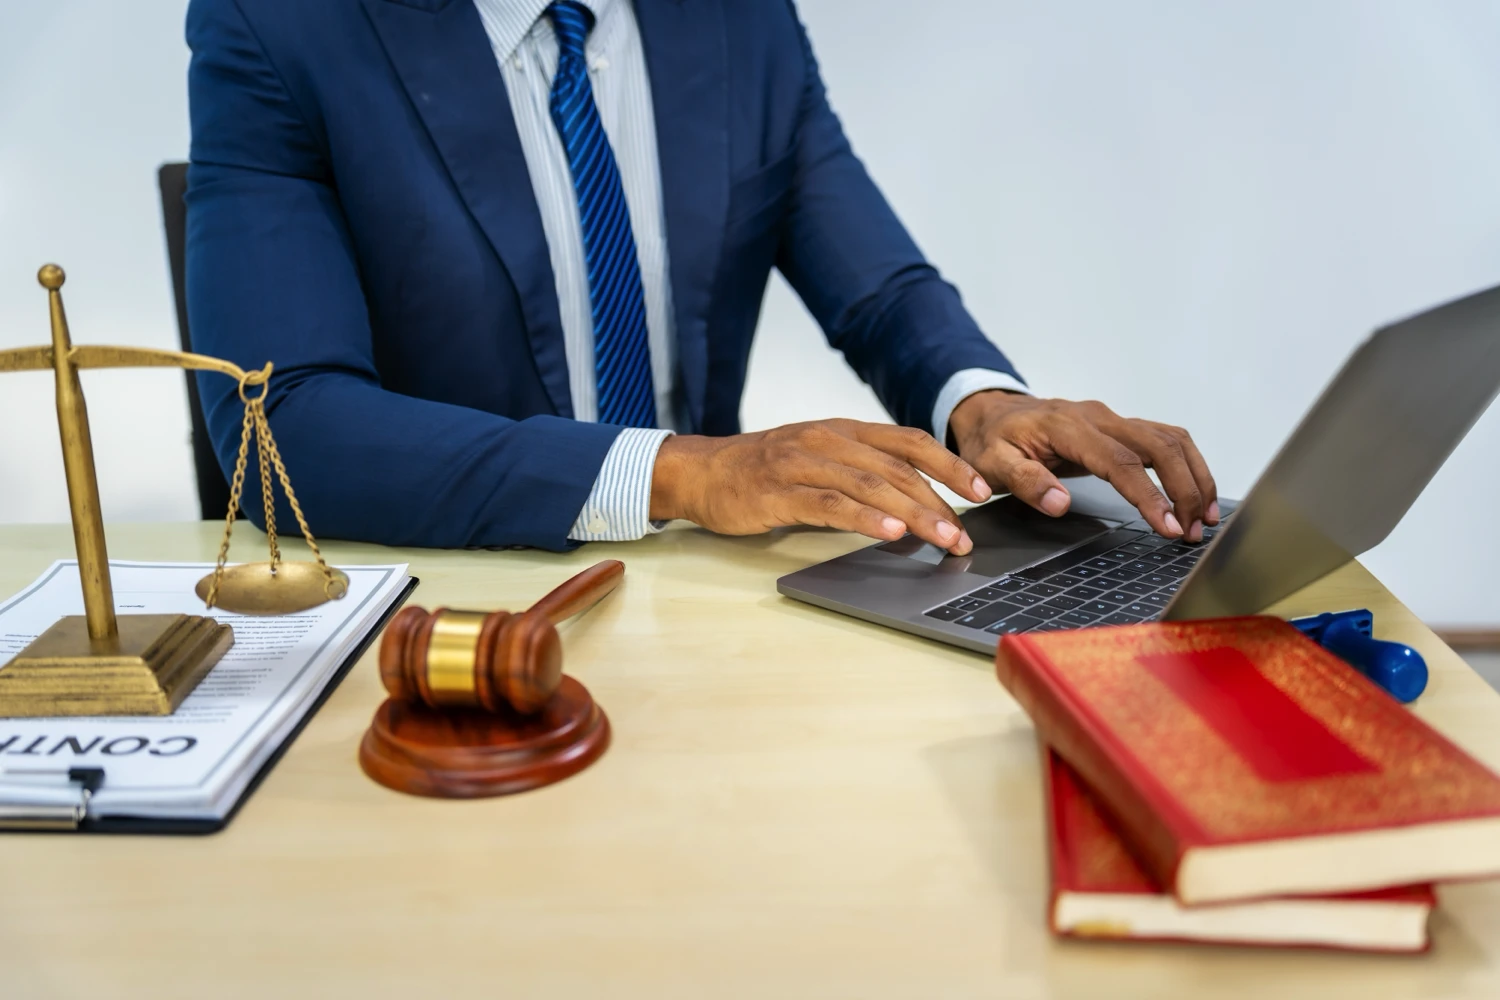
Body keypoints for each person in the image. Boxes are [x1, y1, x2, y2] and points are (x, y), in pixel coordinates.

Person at [184, 0, 1218, 555]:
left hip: (705, 610)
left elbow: (881, 292)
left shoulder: (739, 20)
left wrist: (983, 405)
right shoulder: (278, 25)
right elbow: (279, 429)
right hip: (456, 622)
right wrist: (685, 473)